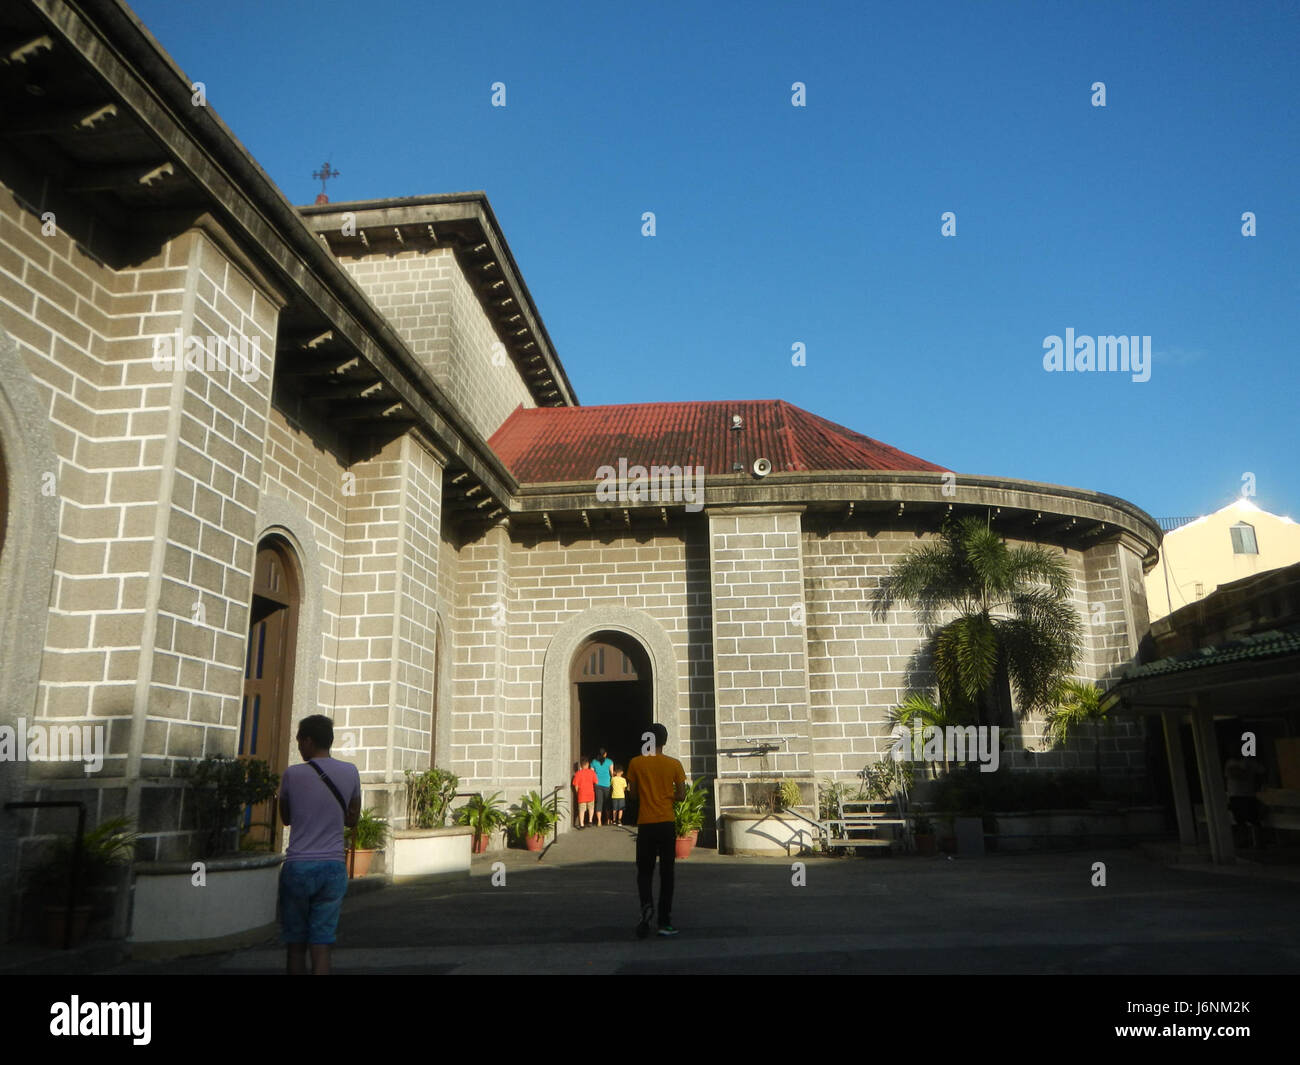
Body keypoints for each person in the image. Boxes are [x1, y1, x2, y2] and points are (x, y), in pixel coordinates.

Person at [278, 714, 361, 975]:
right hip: (332, 867)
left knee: (295, 946)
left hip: (298, 867)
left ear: (309, 741)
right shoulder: (350, 772)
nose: (299, 747)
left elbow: (286, 818)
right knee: (322, 945)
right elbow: (353, 819)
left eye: (300, 741)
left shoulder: (292, 774)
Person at [625, 723, 685, 938]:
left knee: (644, 871)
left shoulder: (635, 763)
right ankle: (664, 921)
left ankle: (645, 907)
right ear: (665, 741)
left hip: (646, 824)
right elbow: (682, 795)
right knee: (667, 873)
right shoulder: (674, 765)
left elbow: (632, 795)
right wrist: (667, 795)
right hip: (666, 823)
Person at [572, 757, 597, 829]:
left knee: (582, 809)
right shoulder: (592, 772)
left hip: (581, 794)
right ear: (588, 764)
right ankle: (590, 821)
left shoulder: (578, 774)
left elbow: (576, 786)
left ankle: (582, 824)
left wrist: (577, 793)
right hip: (590, 793)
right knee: (591, 808)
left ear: (581, 765)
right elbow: (595, 782)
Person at [590, 747, 613, 826]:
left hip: (597, 784)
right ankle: (608, 820)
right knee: (607, 802)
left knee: (599, 802)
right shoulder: (609, 761)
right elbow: (611, 773)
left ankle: (599, 821)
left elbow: (592, 773)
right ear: (605, 754)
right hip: (607, 784)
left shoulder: (593, 762)